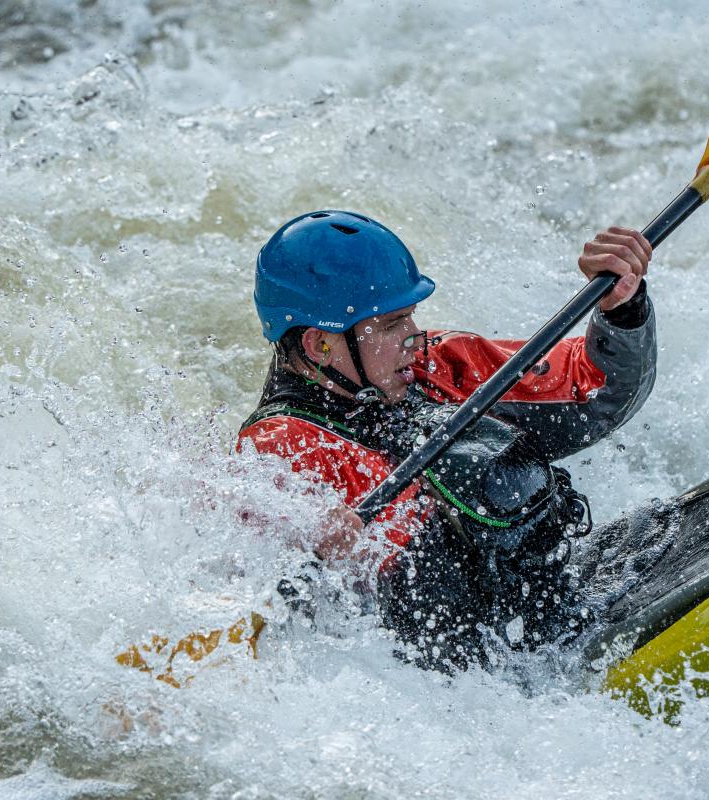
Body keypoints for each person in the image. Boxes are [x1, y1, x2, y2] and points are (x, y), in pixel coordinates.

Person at [237, 209, 656, 669]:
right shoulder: (277, 449)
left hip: (549, 625)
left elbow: (595, 393)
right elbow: (243, 539)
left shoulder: (435, 365)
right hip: (449, 693)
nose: (414, 336)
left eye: (411, 317)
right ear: (321, 344)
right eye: (393, 322)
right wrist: (303, 537)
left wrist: (623, 307)